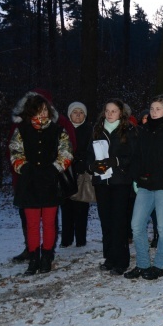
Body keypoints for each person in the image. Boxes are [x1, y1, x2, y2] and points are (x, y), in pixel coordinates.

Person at [9, 92, 73, 275]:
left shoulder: (57, 130)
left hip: (50, 183)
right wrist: (25, 167)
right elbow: (15, 152)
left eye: (45, 110)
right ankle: (33, 258)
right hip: (29, 184)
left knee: (49, 223)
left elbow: (66, 152)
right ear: (31, 112)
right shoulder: (21, 131)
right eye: (38, 111)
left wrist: (54, 169)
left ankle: (47, 256)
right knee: (32, 224)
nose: (42, 114)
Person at [125, 94, 163, 280]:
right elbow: (136, 156)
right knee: (136, 224)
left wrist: (155, 175)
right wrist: (137, 175)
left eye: (158, 109)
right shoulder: (143, 131)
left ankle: (159, 265)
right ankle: (143, 264)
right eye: (151, 109)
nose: (154, 112)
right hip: (145, 184)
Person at [87, 99, 137, 275]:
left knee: (118, 222)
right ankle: (109, 257)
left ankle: (121, 260)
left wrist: (115, 161)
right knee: (106, 220)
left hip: (120, 182)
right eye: (107, 111)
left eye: (113, 111)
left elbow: (133, 156)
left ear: (121, 113)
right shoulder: (97, 129)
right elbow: (88, 153)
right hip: (102, 182)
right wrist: (91, 166)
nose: (109, 114)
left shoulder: (128, 130)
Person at [60, 102, 92, 248]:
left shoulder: (90, 130)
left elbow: (92, 151)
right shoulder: (62, 129)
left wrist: (81, 161)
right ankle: (66, 240)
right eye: (75, 112)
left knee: (81, 208)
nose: (78, 115)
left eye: (81, 112)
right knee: (66, 208)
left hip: (82, 173)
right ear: (69, 114)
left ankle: (81, 239)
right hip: (65, 173)